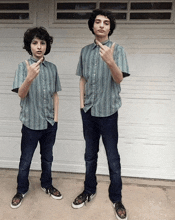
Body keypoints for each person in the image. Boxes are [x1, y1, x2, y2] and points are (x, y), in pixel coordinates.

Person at [72, 9, 129, 220]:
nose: (102, 25)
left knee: (113, 158)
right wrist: (81, 105)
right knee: (89, 155)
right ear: (92, 26)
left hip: (108, 113)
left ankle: (116, 198)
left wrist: (110, 60)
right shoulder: (85, 51)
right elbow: (82, 79)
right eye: (98, 22)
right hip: (88, 112)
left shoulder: (118, 50)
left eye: (106, 22)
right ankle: (89, 190)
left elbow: (119, 79)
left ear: (110, 27)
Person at [11, 27, 62, 209]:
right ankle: (21, 189)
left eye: (42, 43)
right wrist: (30, 77)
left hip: (49, 123)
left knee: (47, 158)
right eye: (34, 43)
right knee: (26, 159)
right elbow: (21, 95)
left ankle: (46, 184)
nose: (39, 46)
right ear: (29, 45)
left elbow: (55, 94)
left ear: (47, 46)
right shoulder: (22, 66)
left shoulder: (52, 68)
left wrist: (55, 119)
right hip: (31, 124)